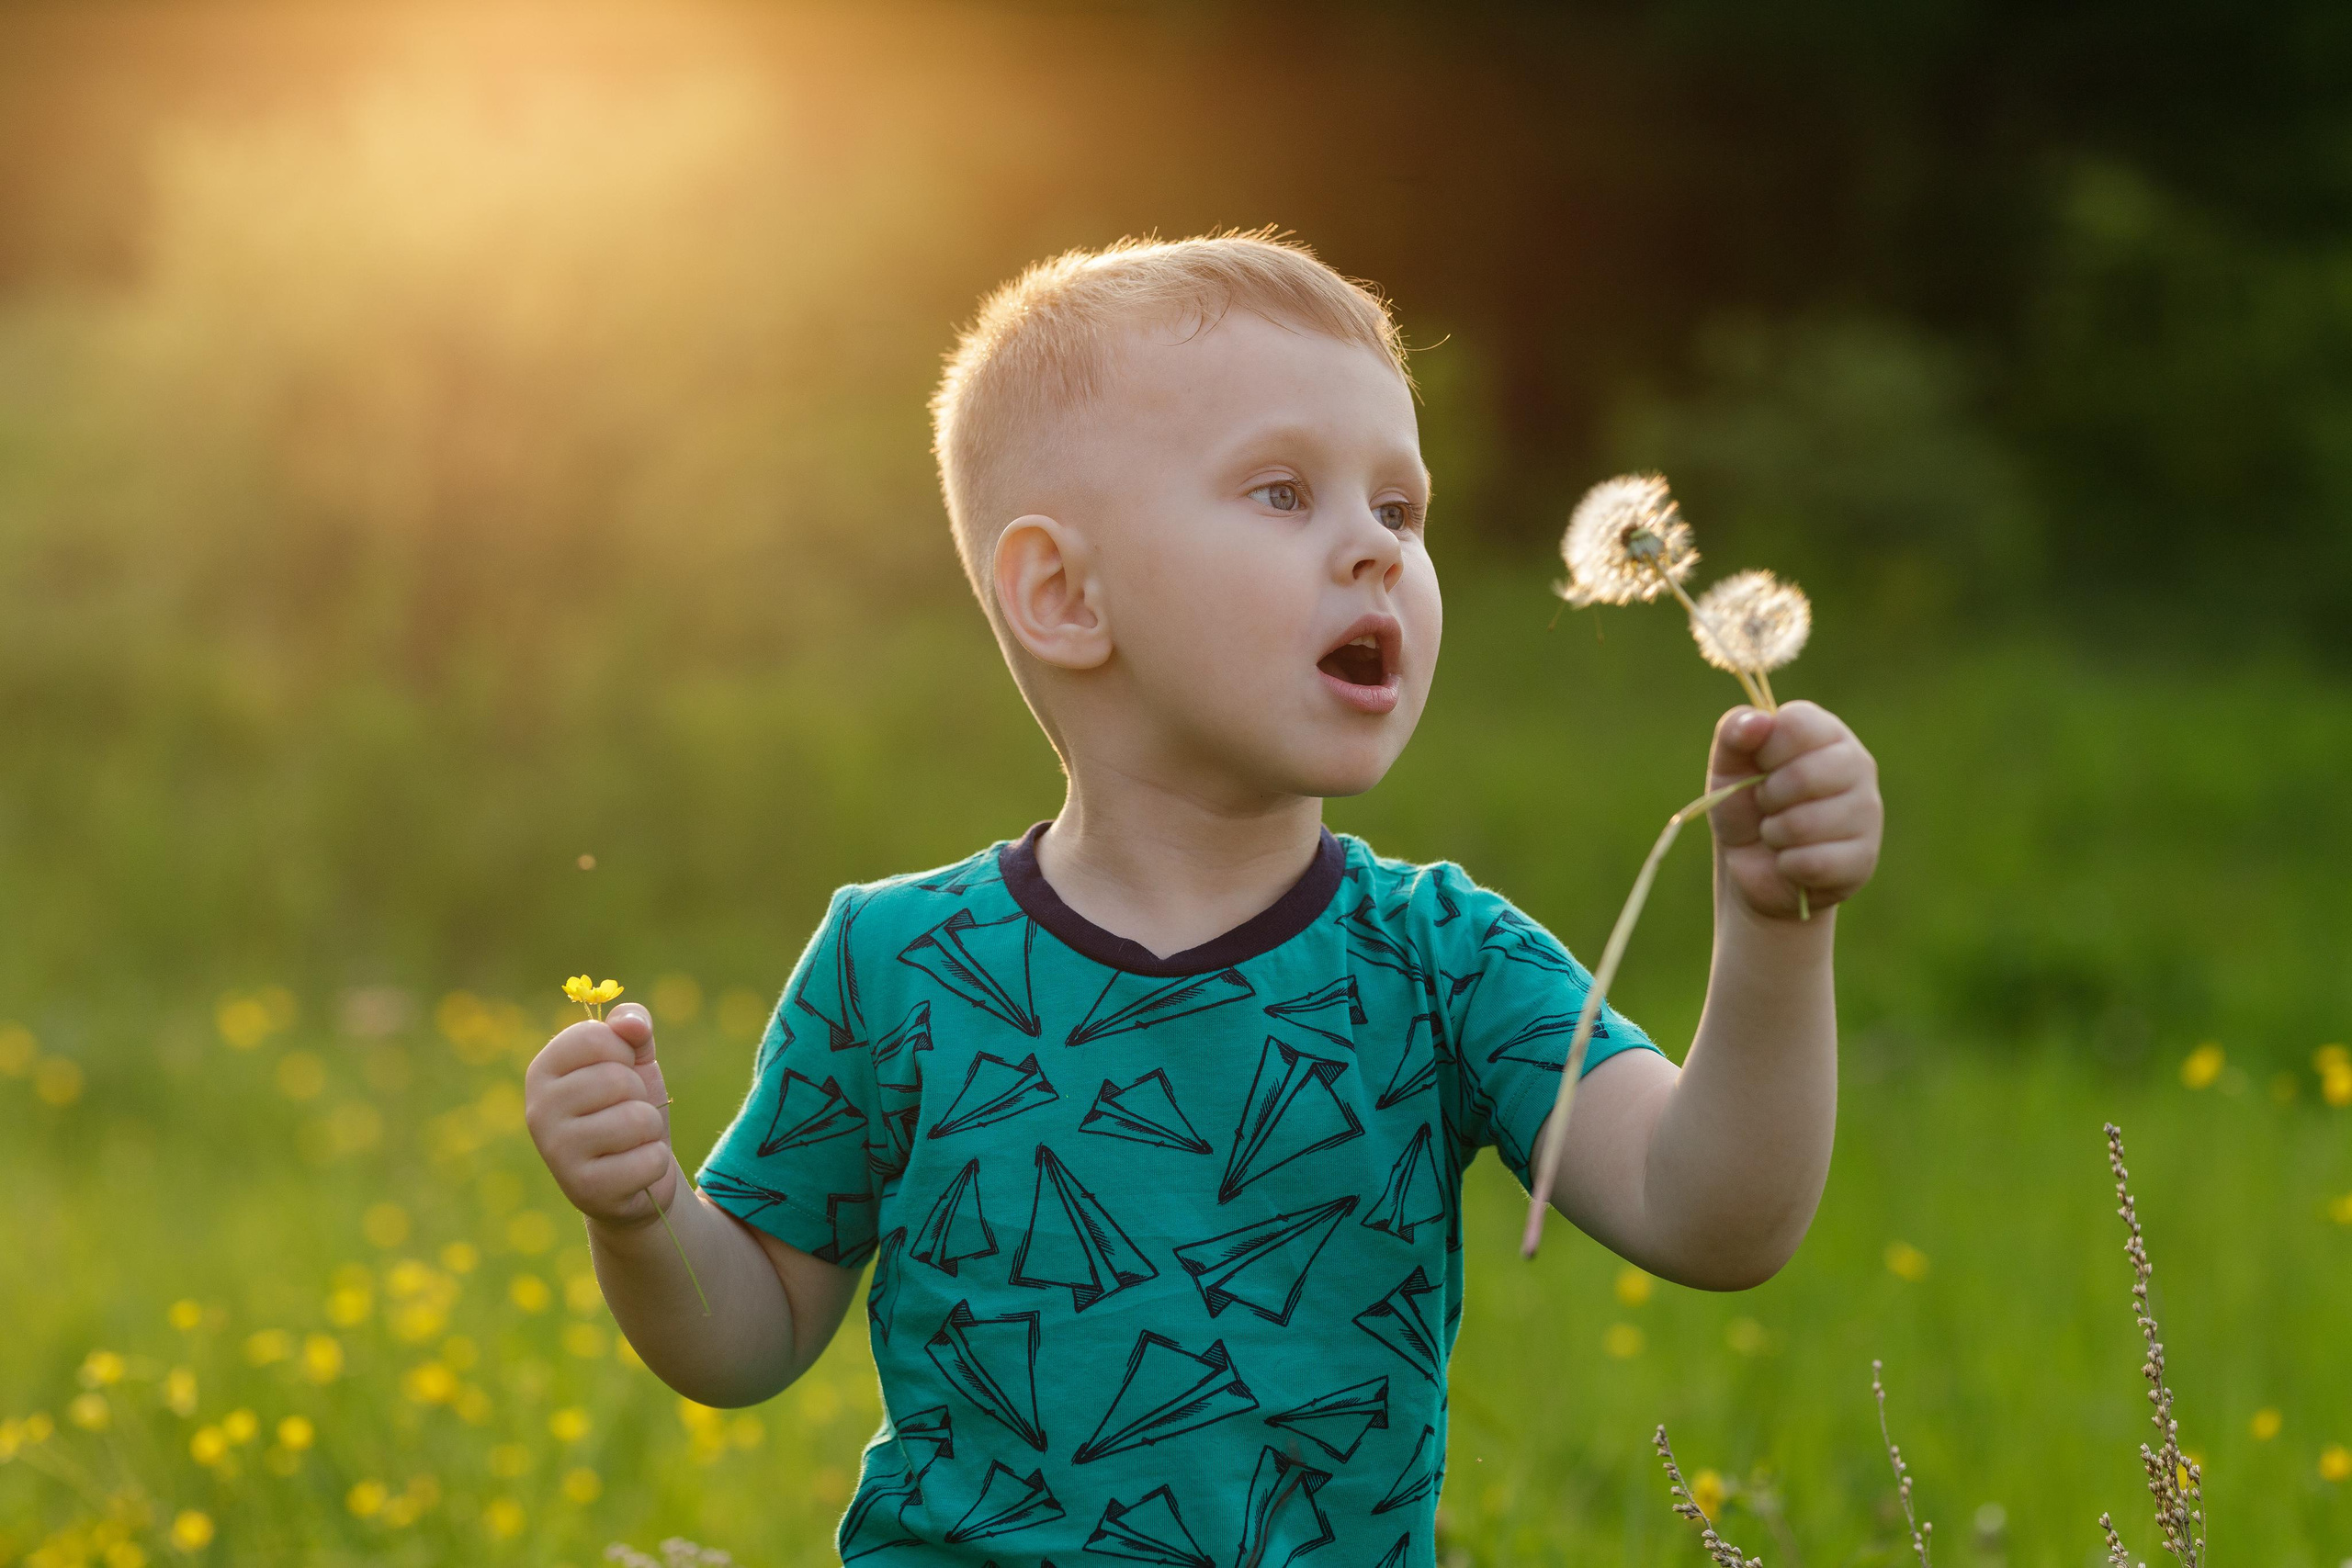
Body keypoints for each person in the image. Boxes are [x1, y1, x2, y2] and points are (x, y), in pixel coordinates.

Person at [524, 229, 1883, 1565]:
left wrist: (1775, 933)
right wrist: (643, 1218)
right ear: (1063, 594)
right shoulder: (898, 965)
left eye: (1400, 510)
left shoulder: (1443, 963)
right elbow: (746, 1337)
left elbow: (1711, 1217)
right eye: (1284, 493)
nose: (1377, 552)